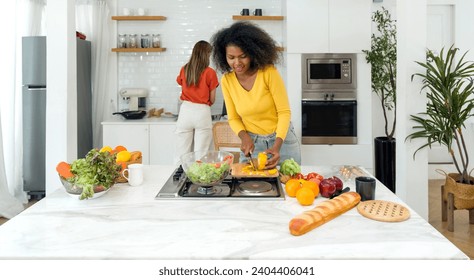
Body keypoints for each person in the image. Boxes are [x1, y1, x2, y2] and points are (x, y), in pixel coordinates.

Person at [210, 21, 301, 169]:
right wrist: (244, 137)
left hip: (282, 141)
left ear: (253, 53)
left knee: (290, 187)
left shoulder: (268, 72)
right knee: (249, 187)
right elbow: (233, 118)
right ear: (224, 56)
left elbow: (284, 112)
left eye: (243, 56)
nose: (237, 62)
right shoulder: (227, 80)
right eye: (231, 57)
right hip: (253, 144)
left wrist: (277, 146)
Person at [176, 40, 219, 160]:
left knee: (182, 152)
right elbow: (212, 99)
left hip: (185, 110)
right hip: (202, 112)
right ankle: (199, 177)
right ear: (206, 55)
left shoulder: (184, 69)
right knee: (201, 154)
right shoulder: (210, 72)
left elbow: (181, 83)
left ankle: (180, 176)